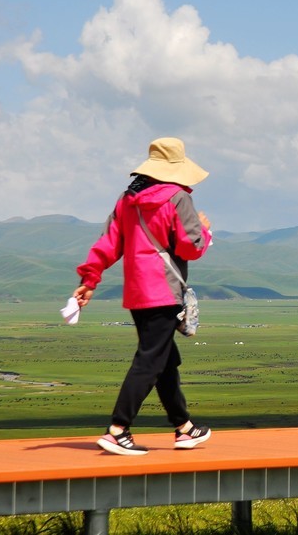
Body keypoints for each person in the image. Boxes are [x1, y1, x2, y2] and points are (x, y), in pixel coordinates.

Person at [73, 137, 214, 456]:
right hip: (164, 290)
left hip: (137, 292)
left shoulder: (128, 199)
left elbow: (109, 242)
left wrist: (90, 278)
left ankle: (184, 428)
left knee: (164, 358)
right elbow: (190, 247)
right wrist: (204, 230)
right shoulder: (178, 199)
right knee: (150, 360)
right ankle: (117, 430)